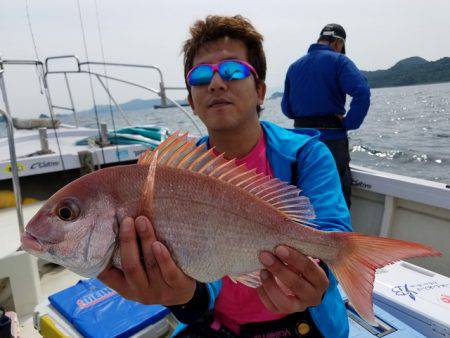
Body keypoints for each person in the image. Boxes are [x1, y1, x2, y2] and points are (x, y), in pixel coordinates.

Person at [99, 15, 351, 337]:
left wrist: (317, 277)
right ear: (191, 100)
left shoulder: (305, 156)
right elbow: (200, 285)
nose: (216, 83)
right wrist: (181, 296)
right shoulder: (174, 175)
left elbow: (333, 234)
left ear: (260, 91)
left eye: (233, 70)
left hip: (302, 323)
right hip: (221, 326)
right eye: (201, 76)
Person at [281, 23, 371, 208]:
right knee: (336, 200)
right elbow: (362, 92)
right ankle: (339, 236)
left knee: (302, 198)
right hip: (331, 141)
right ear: (338, 43)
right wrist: (349, 123)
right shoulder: (339, 61)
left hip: (299, 142)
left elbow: (287, 109)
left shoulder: (294, 67)